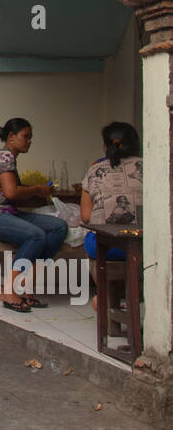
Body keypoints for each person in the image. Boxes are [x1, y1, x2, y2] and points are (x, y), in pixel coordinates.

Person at [0, 117, 68, 312]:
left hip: (8, 213)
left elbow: (13, 195)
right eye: (26, 136)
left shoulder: (10, 160)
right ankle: (9, 289)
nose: (29, 141)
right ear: (11, 137)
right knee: (36, 235)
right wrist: (36, 189)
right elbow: (11, 192)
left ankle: (24, 285)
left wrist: (39, 194)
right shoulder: (3, 157)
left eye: (31, 137)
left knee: (58, 227)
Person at [79, 122, 143, 310]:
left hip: (106, 246)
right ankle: (130, 298)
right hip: (144, 244)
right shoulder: (149, 168)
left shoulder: (94, 171)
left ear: (106, 146)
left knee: (92, 241)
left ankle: (105, 296)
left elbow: (86, 216)